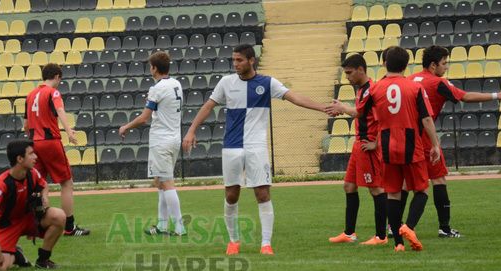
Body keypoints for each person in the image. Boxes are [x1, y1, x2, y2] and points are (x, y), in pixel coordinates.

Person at [182, 44, 335, 255]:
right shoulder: (226, 83)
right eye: (234, 60)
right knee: (231, 194)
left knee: (262, 193)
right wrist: (191, 131)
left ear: (251, 60)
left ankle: (266, 244)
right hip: (232, 147)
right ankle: (234, 241)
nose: (235, 64)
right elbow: (208, 106)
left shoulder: (267, 83)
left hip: (256, 146)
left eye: (239, 60)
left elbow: (294, 97)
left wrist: (322, 107)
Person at [408, 45, 501, 238]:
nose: (446, 67)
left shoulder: (410, 79)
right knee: (438, 180)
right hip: (425, 137)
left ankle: (394, 227)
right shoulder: (437, 82)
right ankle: (444, 228)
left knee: (403, 184)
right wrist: (496, 95)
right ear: (433, 65)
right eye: (444, 63)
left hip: (405, 137)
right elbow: (465, 96)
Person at [362, 46, 441, 252]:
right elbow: (426, 119)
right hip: (410, 144)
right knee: (422, 190)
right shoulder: (414, 88)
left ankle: (398, 243)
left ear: (385, 63)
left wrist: (343, 109)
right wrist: (435, 145)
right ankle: (408, 226)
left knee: (393, 194)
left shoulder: (376, 88)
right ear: (406, 66)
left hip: (387, 146)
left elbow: (361, 112)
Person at [119, 51, 186, 236]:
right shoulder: (176, 84)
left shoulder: (157, 88)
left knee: (167, 183)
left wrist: (126, 126)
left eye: (151, 66)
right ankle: (162, 226)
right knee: (160, 181)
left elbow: (144, 118)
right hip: (174, 138)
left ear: (154, 68)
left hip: (161, 140)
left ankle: (179, 227)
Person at [326, 54, 388, 245]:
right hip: (358, 144)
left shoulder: (371, 90)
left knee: (375, 189)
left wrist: (376, 143)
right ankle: (349, 233)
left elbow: (380, 119)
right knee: (349, 186)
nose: (347, 77)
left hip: (367, 145)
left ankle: (381, 236)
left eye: (349, 73)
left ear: (361, 69)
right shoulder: (362, 90)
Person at [24, 63, 89, 236]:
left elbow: (26, 124)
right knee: (66, 183)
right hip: (50, 141)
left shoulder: (30, 95)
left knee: (40, 185)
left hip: (34, 143)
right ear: (57, 77)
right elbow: (60, 109)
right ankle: (69, 226)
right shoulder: (53, 92)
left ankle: (39, 223)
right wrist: (68, 130)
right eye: (60, 79)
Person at [0, 140, 67, 271]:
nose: (36, 157)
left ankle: (43, 260)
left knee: (59, 216)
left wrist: (45, 199)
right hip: (7, 225)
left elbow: (44, 185)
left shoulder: (32, 173)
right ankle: (17, 256)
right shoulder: (2, 184)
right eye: (31, 154)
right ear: (20, 159)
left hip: (29, 219)